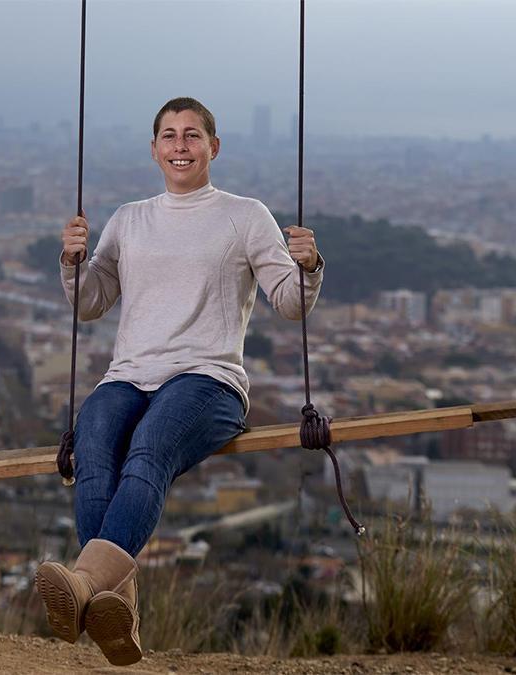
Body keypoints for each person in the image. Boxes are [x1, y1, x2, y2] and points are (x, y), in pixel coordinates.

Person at [34, 97, 323, 666]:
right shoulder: (129, 218)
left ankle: (87, 584)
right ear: (154, 150)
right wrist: (72, 263)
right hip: (131, 374)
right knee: (93, 442)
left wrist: (309, 267)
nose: (181, 146)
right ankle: (115, 606)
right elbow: (90, 305)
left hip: (208, 379)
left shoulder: (244, 215)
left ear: (213, 147)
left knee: (149, 446)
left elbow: (289, 304)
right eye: (169, 136)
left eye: (192, 135)